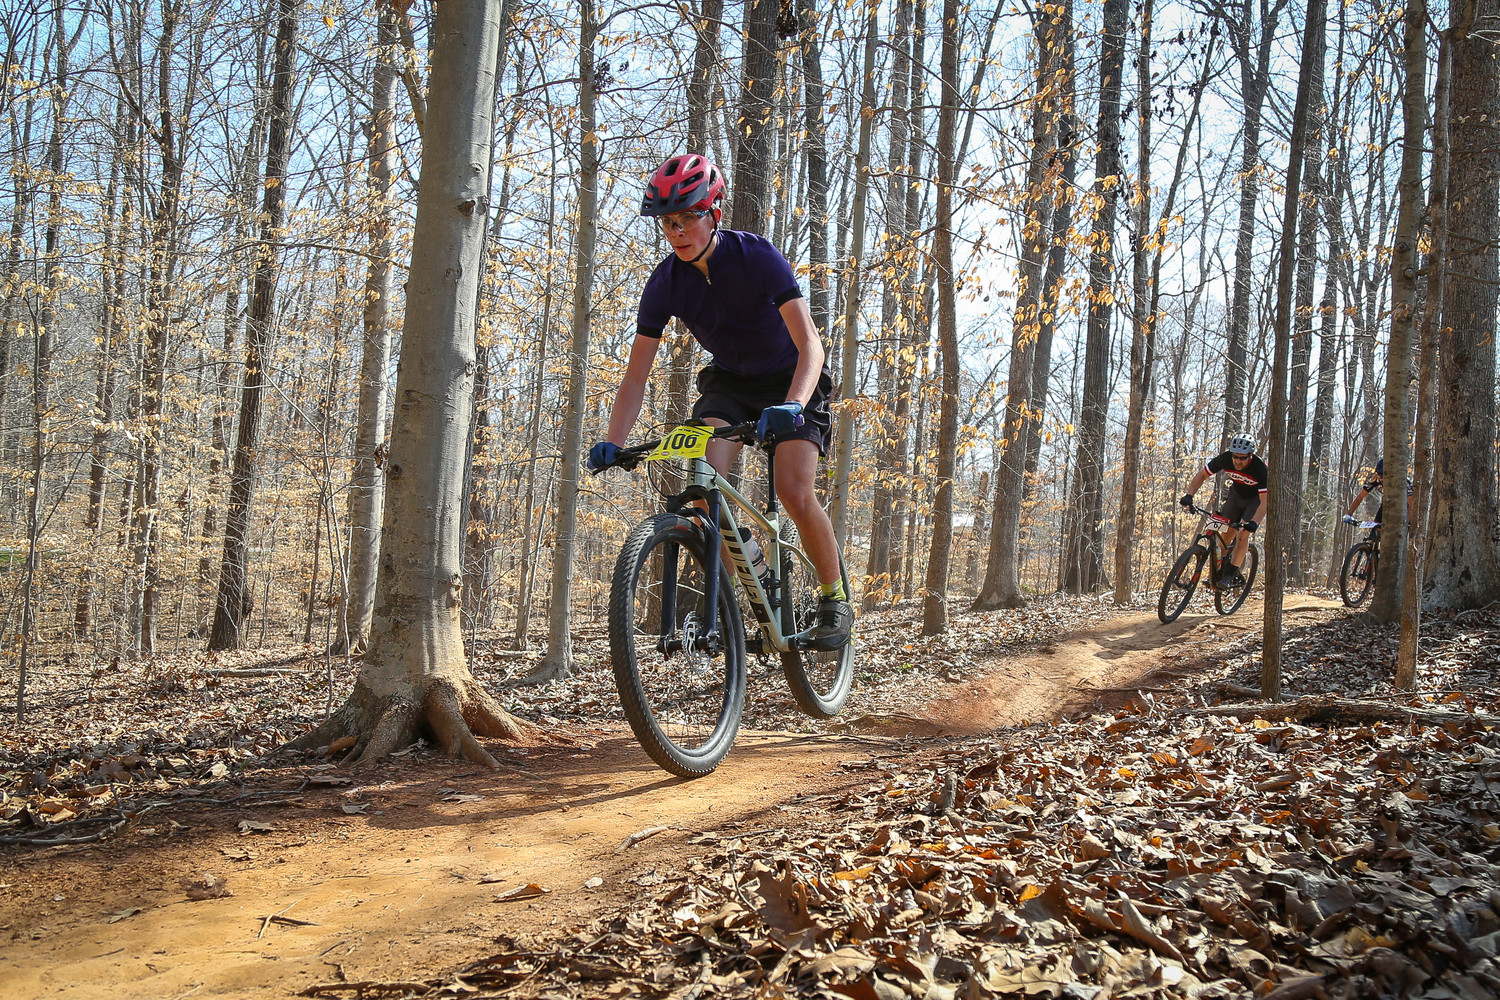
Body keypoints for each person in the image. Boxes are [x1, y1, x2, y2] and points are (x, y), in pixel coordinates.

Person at [587, 153, 852, 650]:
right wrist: (613, 441)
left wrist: (795, 404)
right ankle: (743, 583)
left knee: (793, 490)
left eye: (688, 218)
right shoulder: (666, 283)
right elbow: (636, 376)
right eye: (668, 222)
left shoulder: (756, 256)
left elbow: (811, 346)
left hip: (793, 379)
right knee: (703, 482)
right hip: (730, 383)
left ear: (715, 213)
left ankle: (834, 598)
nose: (677, 232)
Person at [1179, 432, 1268, 588]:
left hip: (1255, 501)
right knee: (1226, 533)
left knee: (1242, 534)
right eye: (1235, 457)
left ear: (1250, 456)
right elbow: (1202, 475)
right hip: (1236, 496)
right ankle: (1220, 570)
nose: (1238, 461)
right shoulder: (1225, 459)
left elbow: (1265, 501)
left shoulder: (1259, 468)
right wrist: (1189, 495)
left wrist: (1254, 522)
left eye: (1242, 458)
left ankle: (1230, 574)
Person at [1341, 458, 1413, 530]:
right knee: (1377, 525)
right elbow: (1360, 496)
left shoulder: (1403, 482)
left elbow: (1410, 503)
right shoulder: (1373, 479)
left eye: (1384, 476)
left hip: (1403, 506)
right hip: (1387, 503)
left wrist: (1408, 521)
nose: (1381, 479)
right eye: (1379, 475)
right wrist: (1349, 514)